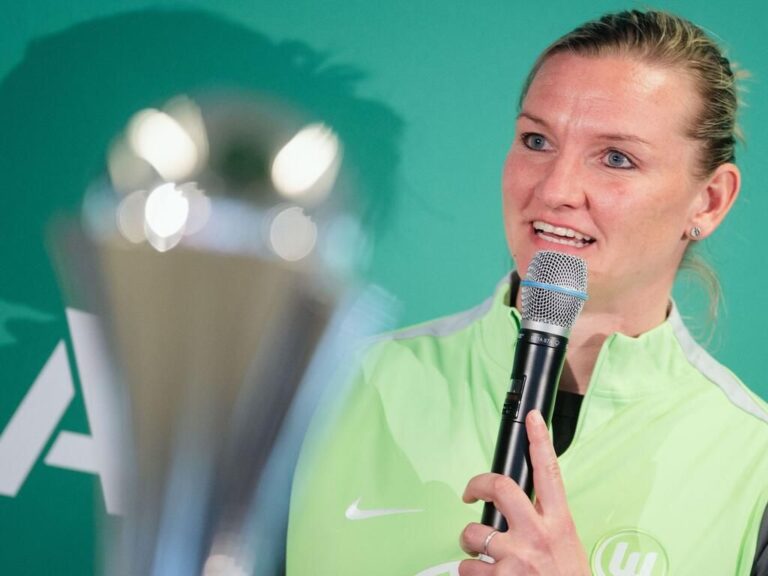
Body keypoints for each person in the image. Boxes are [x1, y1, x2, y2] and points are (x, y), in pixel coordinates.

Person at [287, 10, 768, 576]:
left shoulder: (753, 468)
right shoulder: (326, 385)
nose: (555, 189)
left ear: (708, 202)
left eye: (617, 157)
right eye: (537, 140)